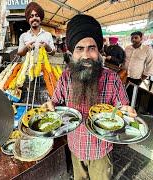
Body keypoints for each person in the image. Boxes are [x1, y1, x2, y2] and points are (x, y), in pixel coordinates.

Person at [43, 14, 136, 180]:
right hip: (75, 148)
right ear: (71, 51)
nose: (86, 55)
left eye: (91, 48)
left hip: (101, 150)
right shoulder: (65, 78)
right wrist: (49, 105)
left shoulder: (112, 78)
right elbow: (55, 103)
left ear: (99, 50)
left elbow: (122, 108)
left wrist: (126, 111)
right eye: (80, 48)